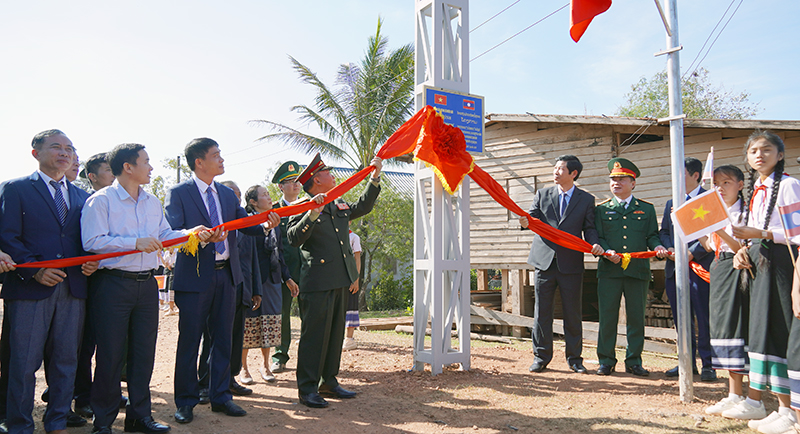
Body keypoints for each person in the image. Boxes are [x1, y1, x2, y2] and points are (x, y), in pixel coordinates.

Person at [81, 143, 211, 434]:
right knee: (111, 355)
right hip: (111, 284)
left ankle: (139, 417)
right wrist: (134, 242)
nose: (151, 167)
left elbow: (164, 235)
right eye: (146, 162)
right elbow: (92, 242)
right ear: (128, 167)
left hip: (146, 285)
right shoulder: (101, 202)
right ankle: (102, 422)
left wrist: (191, 234)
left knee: (143, 354)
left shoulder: (152, 202)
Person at [164, 138, 279, 424]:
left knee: (223, 341)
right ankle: (186, 401)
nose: (221, 159)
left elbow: (244, 224)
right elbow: (170, 230)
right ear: (199, 162)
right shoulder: (179, 193)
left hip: (227, 277)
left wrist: (265, 223)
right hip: (195, 278)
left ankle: (221, 395)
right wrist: (194, 233)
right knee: (190, 342)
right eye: (216, 155)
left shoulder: (227, 196)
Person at [0, 129, 99, 434]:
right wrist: (34, 271)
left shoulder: (84, 196)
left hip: (73, 290)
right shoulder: (15, 189)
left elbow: (86, 240)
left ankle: (56, 421)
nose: (64, 153)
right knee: (23, 363)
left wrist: (91, 259)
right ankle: (19, 424)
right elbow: (7, 236)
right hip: (29, 290)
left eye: (69, 148)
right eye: (56, 147)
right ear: (36, 154)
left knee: (66, 361)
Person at [287, 153, 382, 408]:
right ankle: (307, 388)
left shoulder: (337, 204)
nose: (332, 175)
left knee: (334, 334)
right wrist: (312, 213)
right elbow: (293, 238)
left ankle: (328, 380)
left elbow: (362, 207)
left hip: (340, 279)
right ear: (317, 179)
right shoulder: (303, 206)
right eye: (327, 172)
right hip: (317, 283)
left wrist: (374, 177)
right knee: (314, 337)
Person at [723, 131, 800, 433]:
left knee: (781, 332)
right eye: (753, 151)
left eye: (767, 150)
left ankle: (791, 412)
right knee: (764, 334)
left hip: (784, 267)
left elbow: (797, 235)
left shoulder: (790, 186)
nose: (759, 155)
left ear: (780, 155)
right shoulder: (759, 189)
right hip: (762, 266)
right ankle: (782, 407)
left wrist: (762, 235)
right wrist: (743, 251)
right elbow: (753, 233)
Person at [519, 155, 604, 374]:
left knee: (572, 312)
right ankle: (541, 357)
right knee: (542, 312)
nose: (556, 172)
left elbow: (589, 227)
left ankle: (575, 359)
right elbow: (532, 216)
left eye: (561, 169)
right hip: (544, 262)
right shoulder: (542, 193)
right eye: (555, 168)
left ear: (573, 173)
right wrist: (525, 221)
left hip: (571, 264)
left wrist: (594, 244)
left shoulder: (586, 199)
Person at [594, 157, 668, 377]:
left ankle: (634, 361)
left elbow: (652, 236)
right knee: (608, 317)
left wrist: (659, 248)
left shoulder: (646, 209)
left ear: (633, 183)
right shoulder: (601, 209)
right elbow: (597, 236)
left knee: (636, 318)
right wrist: (608, 253)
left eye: (621, 179)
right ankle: (606, 360)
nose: (616, 183)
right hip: (610, 271)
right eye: (613, 180)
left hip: (637, 271)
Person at [197, 181, 264, 400]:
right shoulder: (216, 224)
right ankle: (207, 381)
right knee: (212, 337)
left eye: (237, 195)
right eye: (232, 195)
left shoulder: (245, 222)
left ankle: (229, 378)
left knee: (235, 336)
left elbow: (252, 259)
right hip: (218, 284)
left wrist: (256, 290)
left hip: (241, 287)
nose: (235, 199)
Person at [659, 157, 716, 381]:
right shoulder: (672, 201)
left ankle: (709, 364)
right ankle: (686, 362)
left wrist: (692, 252)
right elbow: (664, 231)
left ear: (695, 176)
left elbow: (713, 233)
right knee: (680, 319)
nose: (676, 179)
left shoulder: (709, 200)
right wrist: (669, 247)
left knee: (703, 317)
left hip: (699, 268)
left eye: (681, 173)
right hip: (675, 269)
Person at [701, 165, 749, 415]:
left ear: (740, 185)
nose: (720, 188)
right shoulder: (716, 211)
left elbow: (742, 246)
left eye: (727, 182)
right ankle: (732, 393)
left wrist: (717, 226)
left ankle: (744, 394)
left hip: (738, 269)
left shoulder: (745, 213)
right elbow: (710, 245)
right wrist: (696, 226)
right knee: (721, 326)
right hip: (719, 266)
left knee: (736, 326)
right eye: (717, 183)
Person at [240, 185, 298, 383]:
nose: (269, 197)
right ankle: (243, 369)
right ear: (253, 202)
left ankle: (265, 366)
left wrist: (287, 278)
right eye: (264, 195)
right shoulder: (247, 223)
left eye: (268, 194)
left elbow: (279, 253)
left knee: (269, 323)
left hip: (272, 280)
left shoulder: (275, 220)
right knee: (248, 323)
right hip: (252, 280)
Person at [269, 161, 303, 374]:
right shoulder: (273, 211)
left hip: (309, 270)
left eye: (298, 181)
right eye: (289, 182)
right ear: (281, 187)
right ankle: (279, 356)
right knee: (281, 315)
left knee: (311, 315)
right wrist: (284, 275)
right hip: (283, 272)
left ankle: (311, 359)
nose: (295, 185)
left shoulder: (308, 206)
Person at [343, 226, 362, 351]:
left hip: (350, 276)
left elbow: (357, 258)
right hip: (336, 277)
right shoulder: (331, 235)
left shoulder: (354, 237)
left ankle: (349, 339)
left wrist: (356, 279)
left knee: (351, 304)